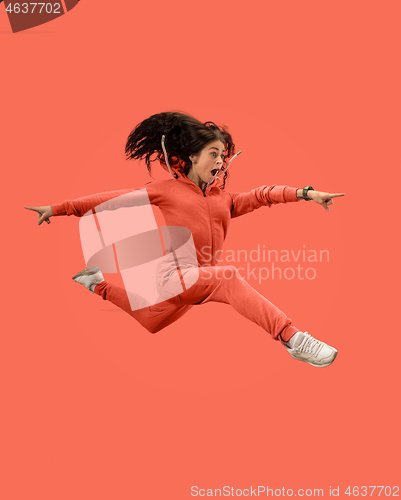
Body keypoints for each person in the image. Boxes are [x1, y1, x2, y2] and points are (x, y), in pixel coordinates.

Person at [25, 111, 345, 368]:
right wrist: (58, 208)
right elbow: (113, 199)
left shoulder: (223, 199)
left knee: (150, 322)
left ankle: (95, 283)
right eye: (213, 154)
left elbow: (263, 195)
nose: (220, 162)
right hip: (172, 279)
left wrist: (305, 193)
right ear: (192, 157)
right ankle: (294, 338)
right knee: (228, 277)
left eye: (223, 155)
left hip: (195, 284)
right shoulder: (166, 190)